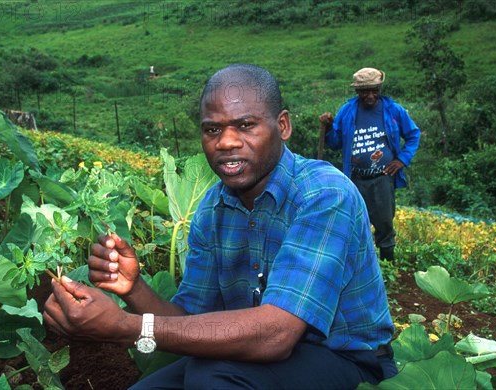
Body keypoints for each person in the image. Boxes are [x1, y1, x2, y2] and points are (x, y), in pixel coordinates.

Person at [44, 64, 397, 389]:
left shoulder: (323, 194)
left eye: (245, 125)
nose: (225, 142)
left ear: (283, 126)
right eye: (212, 129)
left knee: (210, 376)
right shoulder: (213, 209)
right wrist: (133, 289)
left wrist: (127, 329)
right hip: (250, 358)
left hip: (349, 361)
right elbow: (189, 321)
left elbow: (276, 335)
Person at [319, 67, 420, 262]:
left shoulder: (393, 110)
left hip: (382, 177)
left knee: (384, 223)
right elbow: (335, 143)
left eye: (374, 90)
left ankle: (387, 265)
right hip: (355, 178)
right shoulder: (348, 111)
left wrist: (401, 160)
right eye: (365, 91)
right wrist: (330, 127)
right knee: (354, 223)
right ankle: (359, 269)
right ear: (357, 91)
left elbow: (413, 135)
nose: (370, 95)